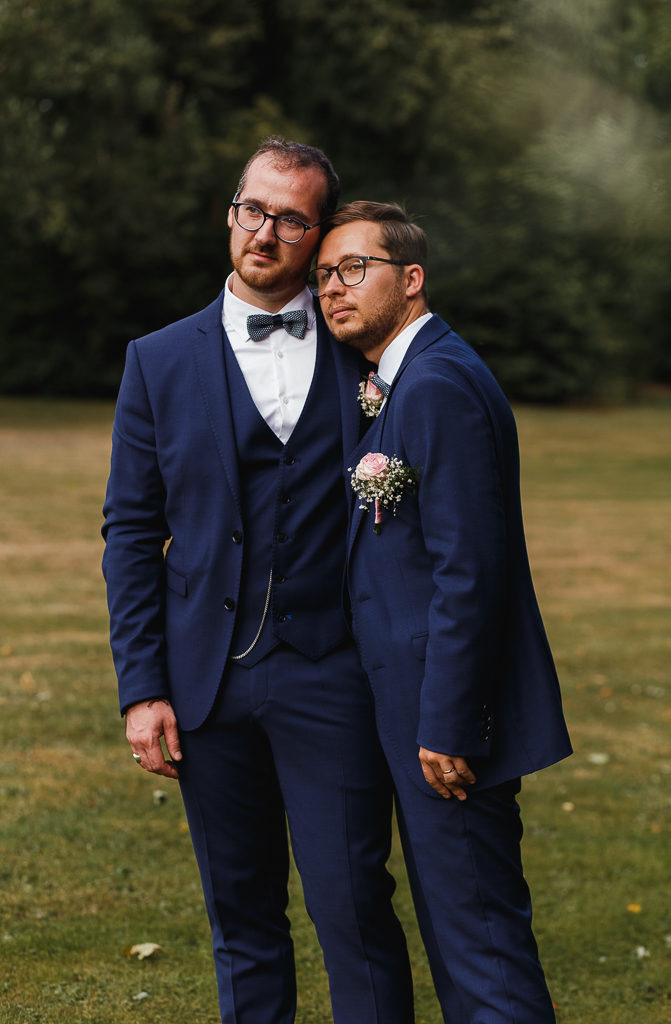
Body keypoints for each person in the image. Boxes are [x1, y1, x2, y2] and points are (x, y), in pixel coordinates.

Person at [101, 144, 414, 1024]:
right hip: (207, 681)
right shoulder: (156, 361)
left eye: (289, 219)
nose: (264, 232)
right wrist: (144, 688)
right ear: (230, 211)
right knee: (240, 919)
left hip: (334, 674)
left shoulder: (369, 350)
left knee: (353, 907)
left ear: (316, 236)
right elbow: (130, 532)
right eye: (252, 209)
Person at [315, 201, 573, 1024]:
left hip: (445, 724)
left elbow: (470, 571)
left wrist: (448, 724)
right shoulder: (404, 379)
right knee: (466, 943)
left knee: (483, 953)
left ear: (411, 279)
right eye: (324, 275)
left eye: (354, 268)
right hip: (418, 711)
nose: (332, 288)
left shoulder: (437, 383)